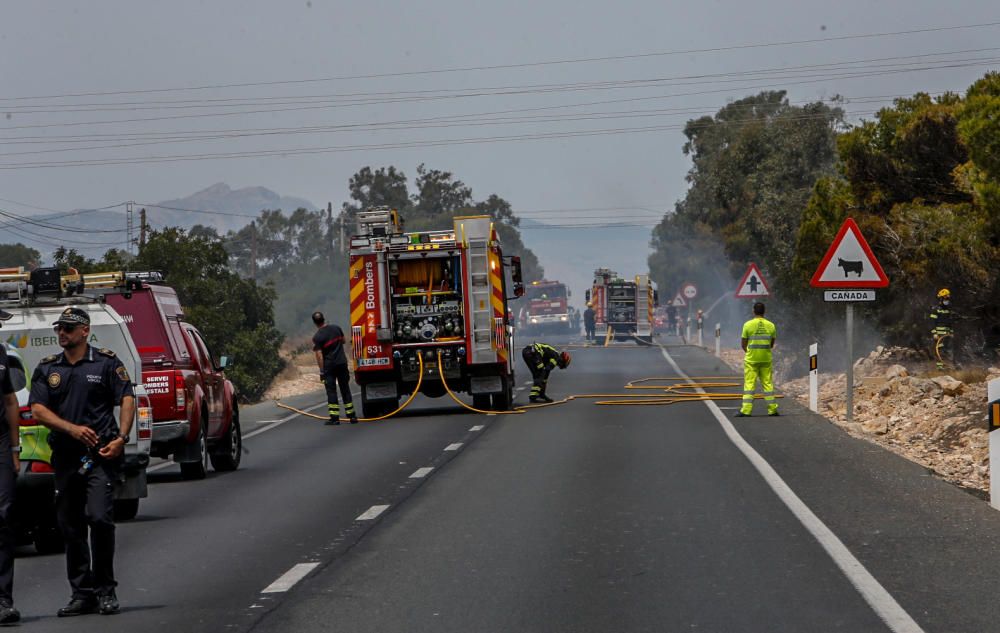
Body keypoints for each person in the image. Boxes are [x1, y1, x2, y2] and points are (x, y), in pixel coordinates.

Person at [29, 307, 135, 617]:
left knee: (100, 519)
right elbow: (38, 409)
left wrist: (122, 438)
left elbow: (126, 397)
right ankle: (82, 593)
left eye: (69, 328)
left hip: (99, 457)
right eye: (60, 328)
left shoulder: (105, 362)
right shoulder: (48, 368)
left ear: (85, 331)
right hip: (65, 458)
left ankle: (106, 590)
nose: (63, 332)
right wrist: (71, 429)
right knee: (70, 527)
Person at [0, 310, 20, 625]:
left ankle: (3, 600)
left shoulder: (2, 353)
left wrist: (15, 449)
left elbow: (10, 401)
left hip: (0, 443)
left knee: (3, 514)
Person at [312, 311, 356, 425]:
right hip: (341, 363)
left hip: (329, 367)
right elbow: (344, 341)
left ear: (315, 323)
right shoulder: (336, 328)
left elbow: (319, 355)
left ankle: (335, 418)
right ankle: (352, 416)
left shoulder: (317, 337)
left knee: (331, 391)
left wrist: (322, 372)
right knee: (345, 388)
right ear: (324, 319)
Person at [736, 302, 778, 417]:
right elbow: (771, 344)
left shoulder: (747, 325)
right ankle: (772, 410)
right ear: (764, 311)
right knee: (768, 384)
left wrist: (750, 352)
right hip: (766, 359)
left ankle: (746, 410)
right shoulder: (771, 325)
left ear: (753, 311)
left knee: (749, 385)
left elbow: (743, 344)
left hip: (751, 360)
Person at [930, 288, 954, 370]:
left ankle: (946, 366)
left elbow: (950, 322)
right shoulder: (936, 309)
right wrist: (934, 333)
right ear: (941, 298)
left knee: (947, 350)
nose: (947, 300)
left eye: (948, 298)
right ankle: (940, 367)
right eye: (945, 298)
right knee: (939, 349)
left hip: (946, 334)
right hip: (939, 335)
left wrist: (951, 332)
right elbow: (932, 322)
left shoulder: (948, 309)